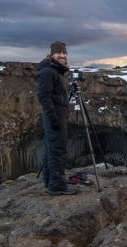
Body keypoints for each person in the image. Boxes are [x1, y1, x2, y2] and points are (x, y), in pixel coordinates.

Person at [37, 41, 77, 195]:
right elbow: (44, 96)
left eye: (64, 53)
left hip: (56, 117)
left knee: (51, 149)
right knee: (58, 151)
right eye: (59, 53)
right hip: (55, 118)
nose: (62, 55)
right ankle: (57, 186)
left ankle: (50, 181)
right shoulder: (48, 72)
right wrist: (53, 118)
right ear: (52, 54)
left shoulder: (55, 71)